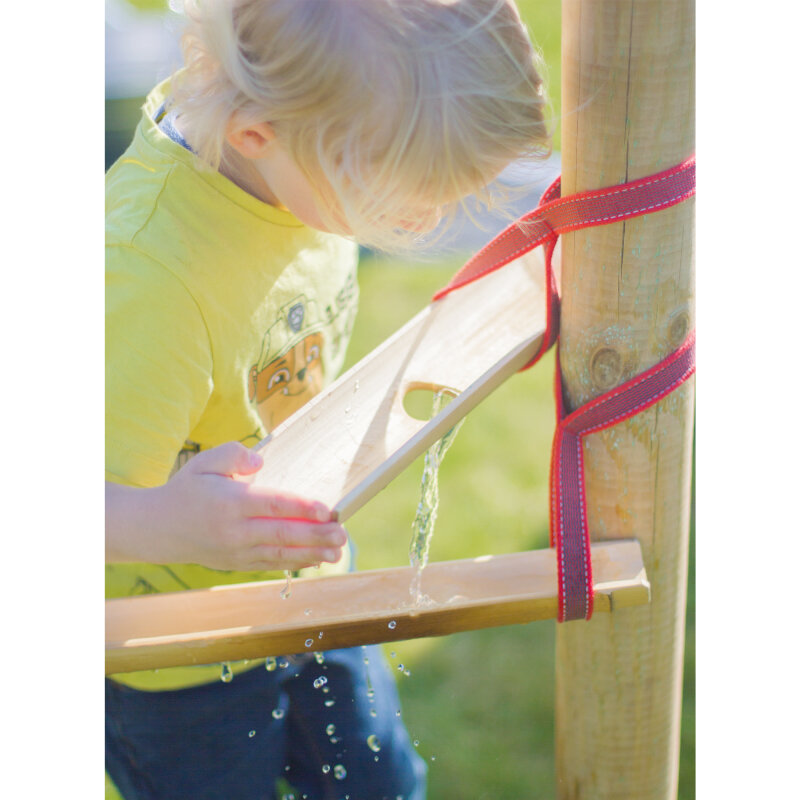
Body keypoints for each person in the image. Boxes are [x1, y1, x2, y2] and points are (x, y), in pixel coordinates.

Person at [105, 1, 551, 798]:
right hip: (174, 662)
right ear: (256, 136)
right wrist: (170, 522)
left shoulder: (295, 157)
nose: (428, 219)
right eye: (402, 199)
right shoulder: (146, 279)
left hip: (312, 599)